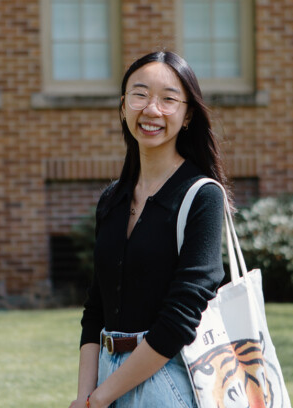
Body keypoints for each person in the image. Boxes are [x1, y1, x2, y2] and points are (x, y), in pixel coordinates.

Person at [68, 51, 232, 408]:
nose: (152, 109)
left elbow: (180, 318)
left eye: (169, 99)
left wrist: (101, 398)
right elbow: (96, 308)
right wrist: (84, 396)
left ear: (187, 115)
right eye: (140, 94)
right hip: (103, 377)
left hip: (167, 380)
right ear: (123, 105)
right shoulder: (112, 200)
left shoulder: (201, 196)